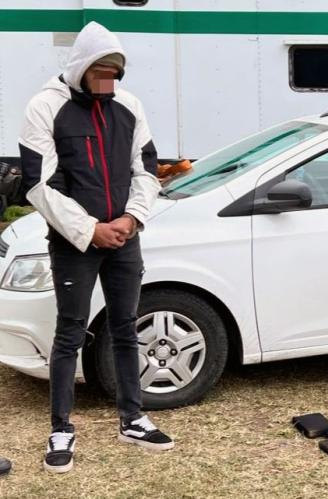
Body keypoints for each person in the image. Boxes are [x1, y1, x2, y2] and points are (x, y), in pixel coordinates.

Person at [18, 22, 173, 474]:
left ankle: (133, 417)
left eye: (116, 73)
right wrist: (89, 230)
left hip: (125, 237)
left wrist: (131, 219)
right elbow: (38, 183)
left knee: (126, 327)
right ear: (81, 66)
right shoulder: (45, 108)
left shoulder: (129, 106)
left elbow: (145, 169)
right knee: (70, 332)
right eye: (101, 71)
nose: (109, 82)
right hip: (74, 243)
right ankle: (61, 427)